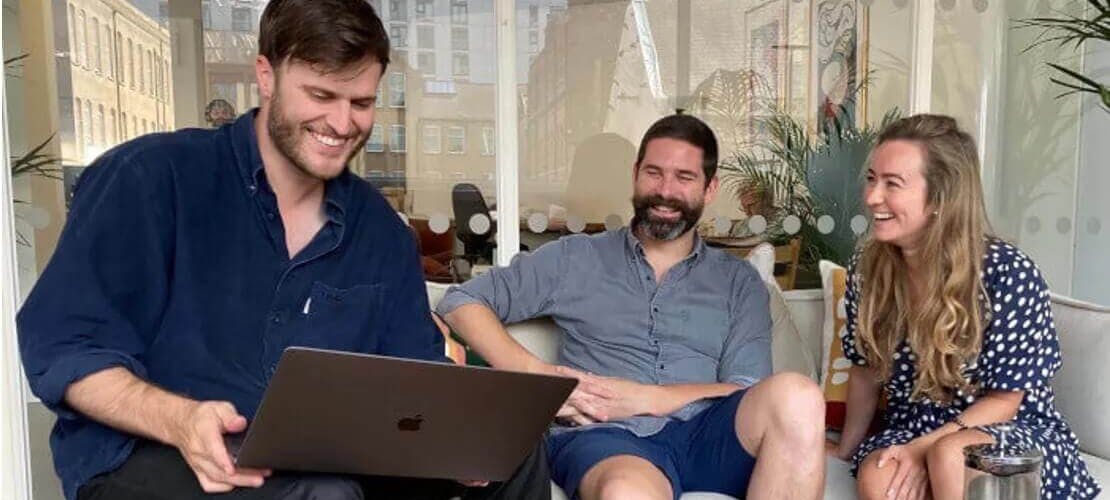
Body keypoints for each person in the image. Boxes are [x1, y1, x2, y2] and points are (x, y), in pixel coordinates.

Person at [17, 1, 548, 499]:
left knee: (513, 453)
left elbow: (412, 373)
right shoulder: (150, 180)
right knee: (323, 493)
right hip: (152, 450)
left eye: (361, 102)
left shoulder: (380, 231)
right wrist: (177, 418)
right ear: (266, 75)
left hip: (329, 457)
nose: (342, 125)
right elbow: (66, 346)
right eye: (321, 96)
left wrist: (453, 436)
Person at [437, 114, 826, 500]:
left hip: (709, 434)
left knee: (799, 396)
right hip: (609, 438)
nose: (665, 190)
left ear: (710, 189)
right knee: (626, 493)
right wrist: (543, 378)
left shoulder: (738, 282)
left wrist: (648, 398)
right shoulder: (575, 258)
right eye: (654, 173)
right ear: (635, 174)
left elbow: (746, 388)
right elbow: (462, 300)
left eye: (684, 178)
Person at [833, 114, 1101, 500]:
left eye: (892, 184)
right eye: (872, 178)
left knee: (953, 456)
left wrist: (927, 448)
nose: (872, 196)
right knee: (879, 477)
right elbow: (866, 369)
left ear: (941, 197)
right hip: (915, 427)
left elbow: (1006, 401)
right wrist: (846, 449)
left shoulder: (1007, 274)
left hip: (1010, 432)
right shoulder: (867, 268)